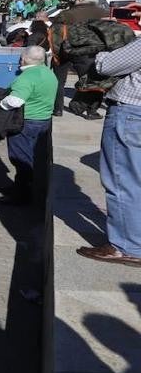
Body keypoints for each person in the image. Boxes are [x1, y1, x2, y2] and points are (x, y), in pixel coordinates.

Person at [79, 31, 141, 265]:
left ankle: (127, 246)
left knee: (123, 180)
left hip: (132, 113)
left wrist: (104, 52)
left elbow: (107, 65)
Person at [0, 46, 57, 206]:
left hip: (25, 122)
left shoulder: (26, 77)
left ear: (24, 58)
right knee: (35, 158)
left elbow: (16, 100)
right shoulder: (49, 73)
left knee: (21, 159)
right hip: (43, 121)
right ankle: (24, 188)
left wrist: (0, 103)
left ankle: (23, 194)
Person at [52, 0, 110, 119]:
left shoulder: (64, 13)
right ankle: (91, 110)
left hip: (62, 50)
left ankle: (57, 109)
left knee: (58, 81)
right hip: (86, 52)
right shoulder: (99, 14)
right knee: (93, 80)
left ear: (79, 0)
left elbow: (53, 32)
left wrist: (56, 52)